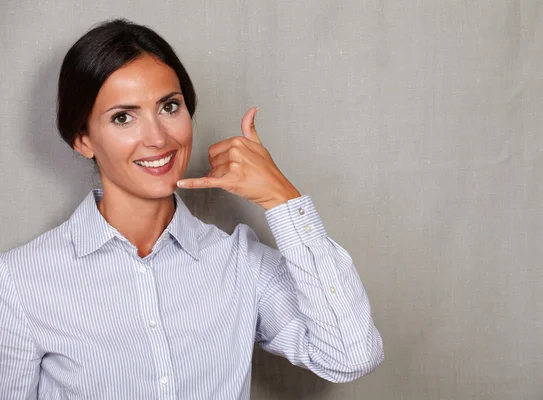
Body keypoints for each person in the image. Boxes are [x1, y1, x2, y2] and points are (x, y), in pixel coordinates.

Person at [0, 19, 384, 399]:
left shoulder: (239, 263)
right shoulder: (20, 281)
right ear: (83, 140)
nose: (158, 138)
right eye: (123, 117)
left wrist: (282, 200)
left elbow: (350, 356)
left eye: (169, 107)